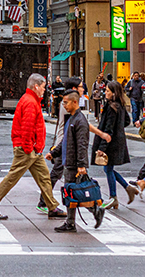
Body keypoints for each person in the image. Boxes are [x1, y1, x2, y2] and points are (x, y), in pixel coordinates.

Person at [0, 74, 63, 220]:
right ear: (36, 86)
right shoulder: (31, 102)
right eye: (43, 87)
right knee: (13, 177)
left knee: (44, 177)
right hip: (28, 148)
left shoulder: (30, 100)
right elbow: (27, 128)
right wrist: (29, 148)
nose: (45, 90)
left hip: (32, 148)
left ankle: (52, 206)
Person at [54, 89, 98, 233]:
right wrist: (54, 153)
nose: (63, 105)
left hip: (74, 163)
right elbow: (66, 140)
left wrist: (81, 165)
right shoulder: (71, 118)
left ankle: (74, 220)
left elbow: (82, 144)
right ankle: (76, 219)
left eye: (66, 103)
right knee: (73, 192)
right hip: (70, 161)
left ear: (75, 102)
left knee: (73, 192)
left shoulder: (79, 120)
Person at [94, 81, 135, 209]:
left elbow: (108, 129)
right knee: (108, 169)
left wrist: (101, 148)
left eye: (107, 91)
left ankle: (113, 197)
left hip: (111, 142)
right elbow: (127, 121)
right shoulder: (120, 105)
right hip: (118, 140)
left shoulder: (112, 107)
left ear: (114, 93)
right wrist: (119, 128)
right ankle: (128, 188)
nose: (105, 93)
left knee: (108, 169)